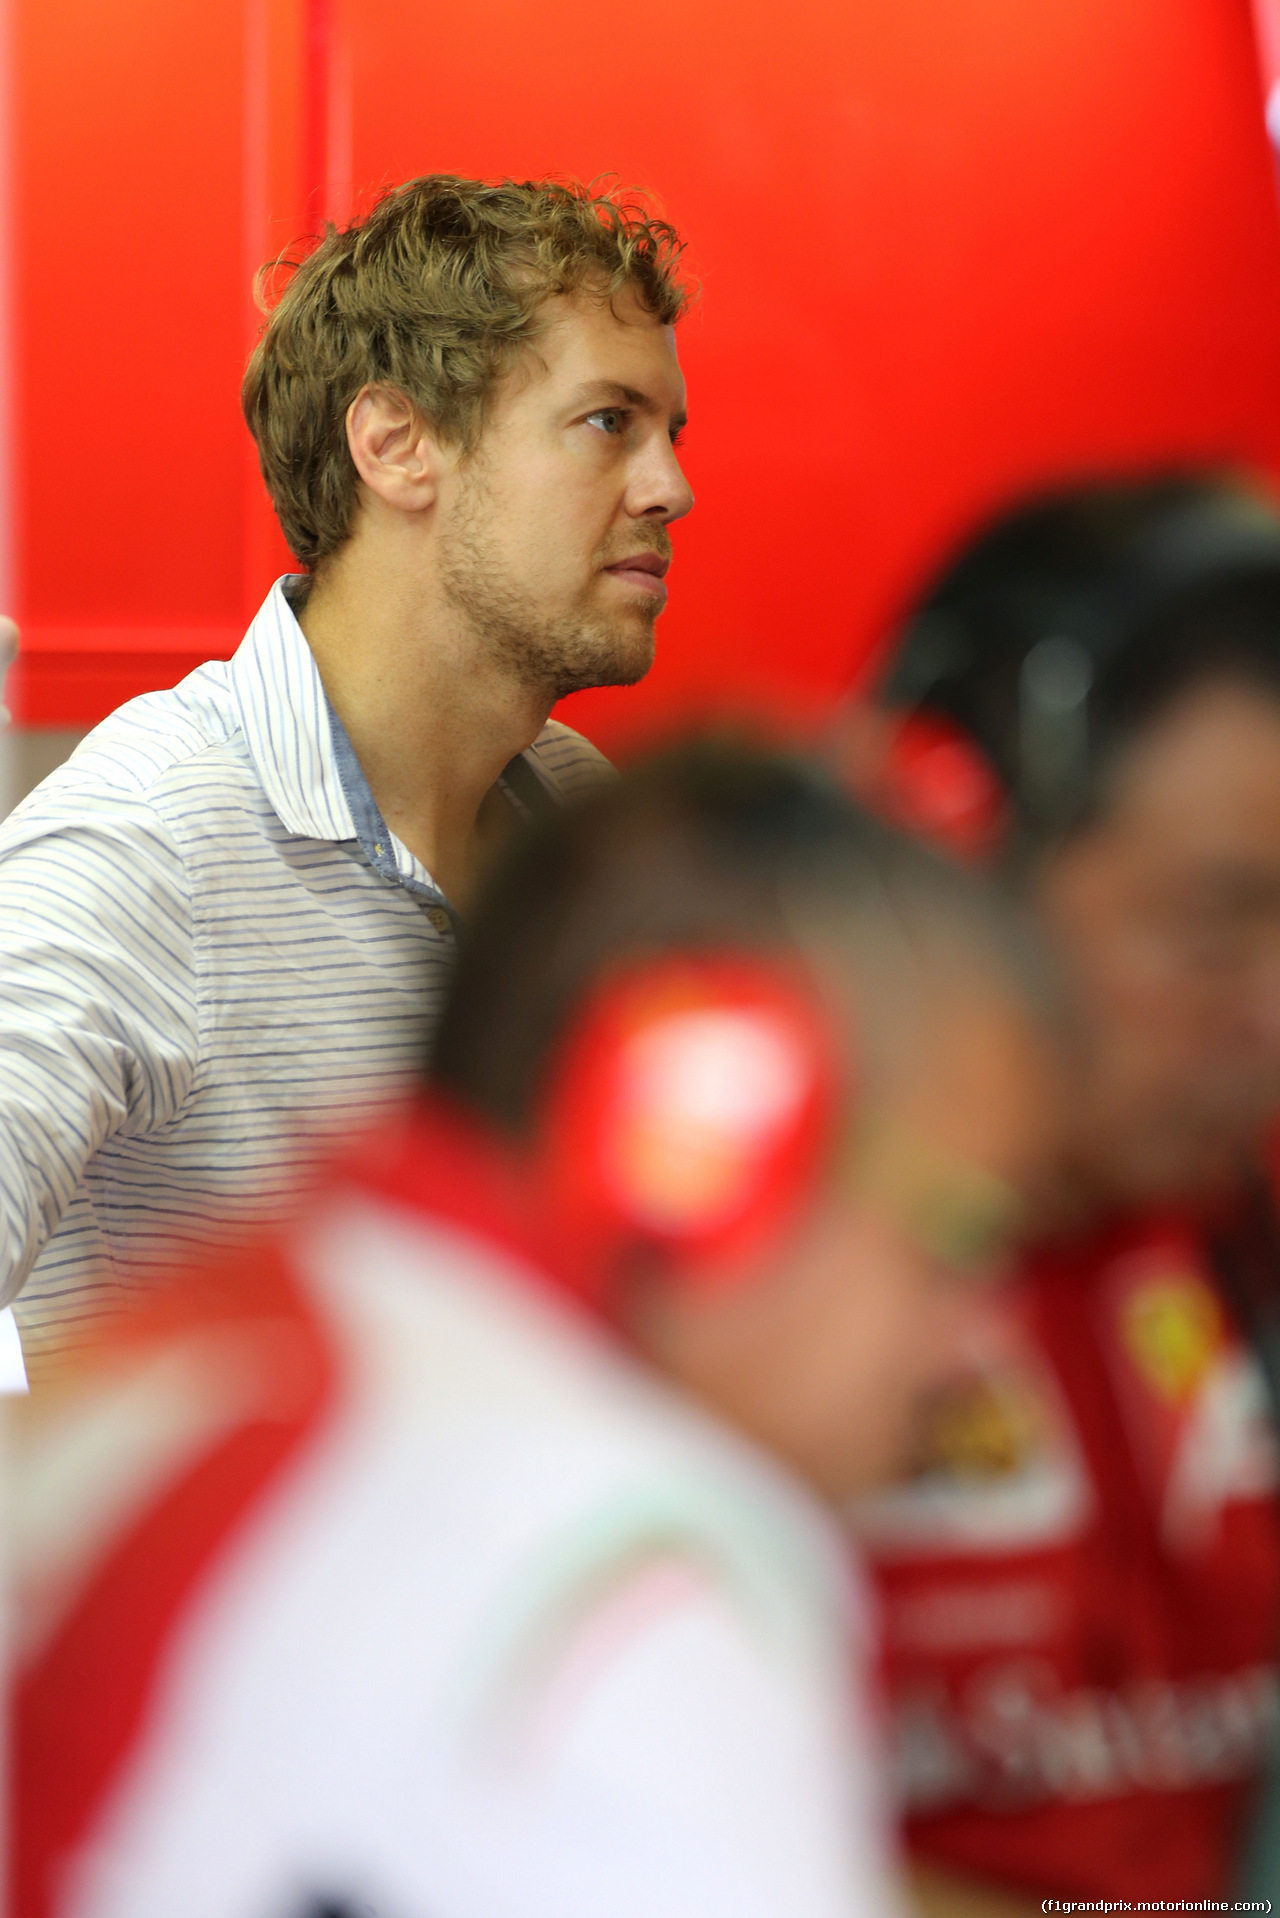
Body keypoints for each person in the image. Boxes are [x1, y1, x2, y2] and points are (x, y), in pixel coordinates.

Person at [10, 745, 1060, 1918]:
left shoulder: (242, 1323)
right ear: (707, 1145)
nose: (982, 1347)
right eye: (957, 1238)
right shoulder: (635, 1591)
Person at [0, 175, 694, 1377]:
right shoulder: (151, 835)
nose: (670, 487)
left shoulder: (575, 816)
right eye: (606, 422)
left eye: (668, 433)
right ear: (395, 445)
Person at [838, 475, 1280, 1908]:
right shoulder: (739, 1316)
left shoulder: (1232, 1243)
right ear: (962, 862)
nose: (1270, 1015)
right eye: (1210, 926)